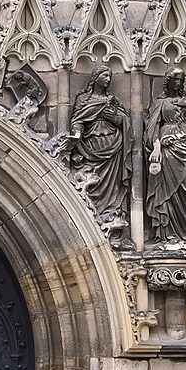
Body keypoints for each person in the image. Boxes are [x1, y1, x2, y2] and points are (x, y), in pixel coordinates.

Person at [57, 64, 133, 249]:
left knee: (113, 187)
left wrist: (116, 118)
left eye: (110, 76)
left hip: (112, 148)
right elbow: (78, 120)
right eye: (105, 75)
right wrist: (76, 134)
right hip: (90, 147)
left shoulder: (113, 101)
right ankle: (91, 215)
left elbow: (126, 122)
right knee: (93, 182)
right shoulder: (84, 99)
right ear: (95, 77)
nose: (108, 79)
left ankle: (111, 215)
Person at [143, 68, 186, 248]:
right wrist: (157, 144)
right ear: (168, 81)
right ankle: (167, 233)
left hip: (184, 147)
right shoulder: (160, 103)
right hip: (166, 150)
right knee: (165, 193)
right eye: (175, 79)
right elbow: (151, 128)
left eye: (181, 79)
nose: (178, 83)